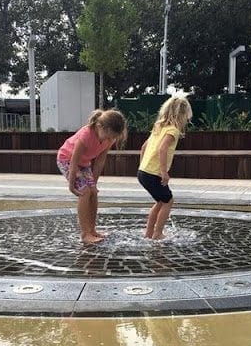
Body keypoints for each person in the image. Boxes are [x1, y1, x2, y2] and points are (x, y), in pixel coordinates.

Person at [57, 109, 127, 243]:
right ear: (100, 126)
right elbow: (74, 161)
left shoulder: (109, 138)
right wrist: (71, 185)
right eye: (108, 137)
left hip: (84, 163)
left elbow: (100, 161)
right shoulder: (86, 135)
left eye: (112, 138)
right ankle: (85, 234)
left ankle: (92, 230)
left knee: (93, 192)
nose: (109, 140)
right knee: (85, 191)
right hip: (67, 159)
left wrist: (94, 182)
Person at [138, 96, 192, 239]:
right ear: (182, 115)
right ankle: (158, 233)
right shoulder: (172, 130)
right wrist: (163, 172)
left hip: (143, 172)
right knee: (168, 201)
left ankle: (148, 233)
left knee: (160, 201)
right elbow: (162, 149)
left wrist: (142, 166)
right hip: (154, 173)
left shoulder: (158, 127)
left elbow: (143, 147)